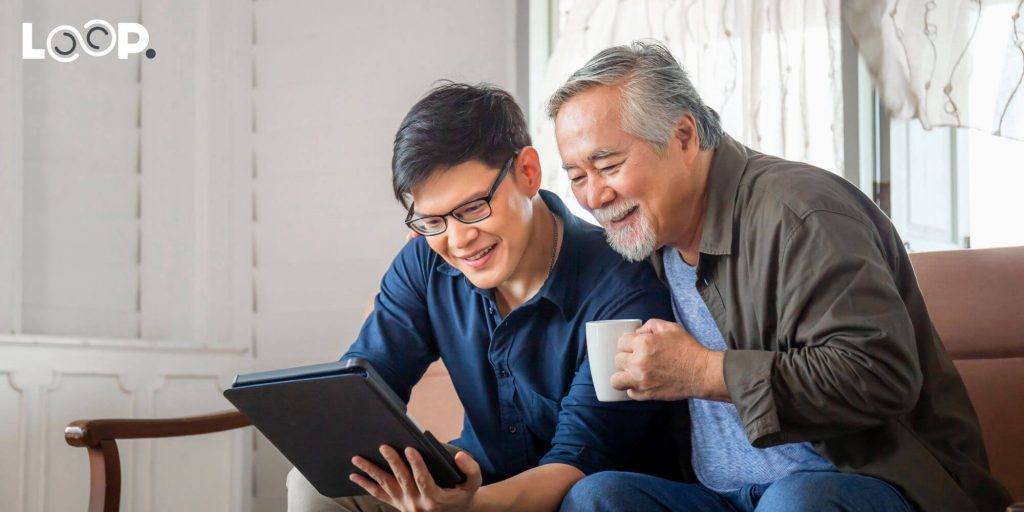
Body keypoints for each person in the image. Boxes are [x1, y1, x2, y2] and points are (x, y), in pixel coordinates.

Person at [547, 41, 1012, 512]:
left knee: (796, 502)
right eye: (576, 177)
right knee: (596, 498)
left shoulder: (801, 214)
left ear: (683, 137)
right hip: (723, 497)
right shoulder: (645, 239)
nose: (593, 196)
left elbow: (879, 373)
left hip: (863, 486)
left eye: (608, 166)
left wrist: (701, 371)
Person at [286, 82, 678, 512]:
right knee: (312, 486)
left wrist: (465, 508)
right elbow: (366, 386)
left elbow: (579, 461)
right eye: (432, 220)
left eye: (473, 208)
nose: (458, 241)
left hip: (575, 495)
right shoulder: (426, 260)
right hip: (473, 483)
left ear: (528, 172)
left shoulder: (622, 286)